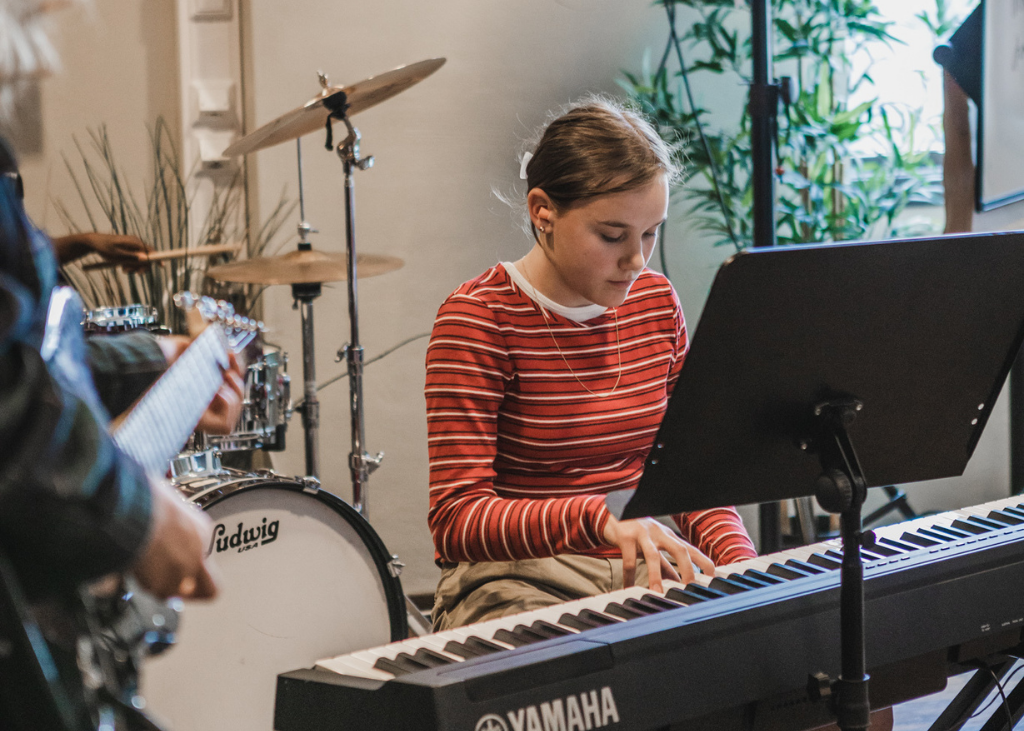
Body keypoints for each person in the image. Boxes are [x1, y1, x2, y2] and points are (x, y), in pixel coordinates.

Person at [426, 97, 758, 632]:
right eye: (612, 235)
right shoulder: (479, 318)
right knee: (563, 675)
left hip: (639, 561)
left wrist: (742, 566)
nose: (637, 260)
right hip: (516, 576)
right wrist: (597, 519)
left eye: (650, 232)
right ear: (543, 211)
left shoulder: (654, 301)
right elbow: (456, 520)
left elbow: (689, 477)